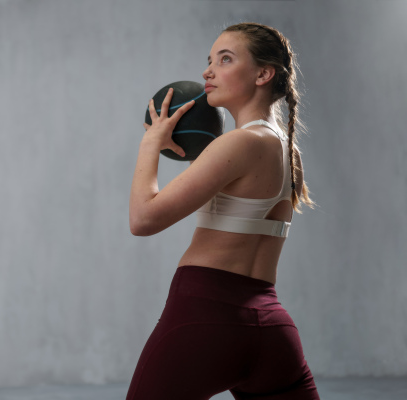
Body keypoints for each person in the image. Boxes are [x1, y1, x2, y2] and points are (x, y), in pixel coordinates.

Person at [126, 23, 320, 399]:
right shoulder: (287, 148)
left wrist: (150, 144)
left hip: (205, 319)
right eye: (209, 60)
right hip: (271, 329)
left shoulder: (239, 143)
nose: (207, 72)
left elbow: (143, 219)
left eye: (225, 59)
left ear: (263, 74)